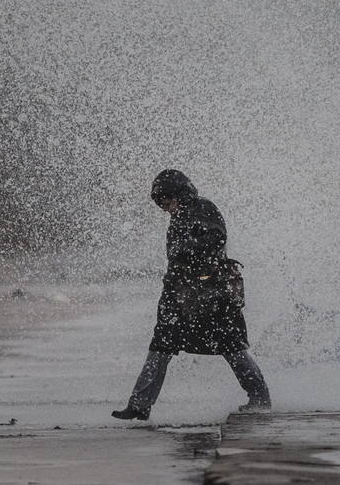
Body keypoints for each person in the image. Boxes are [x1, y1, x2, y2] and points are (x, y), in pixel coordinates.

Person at [112, 169, 271, 421]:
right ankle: (139, 405)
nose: (164, 207)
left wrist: (186, 250)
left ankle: (260, 397)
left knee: (232, 347)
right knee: (161, 344)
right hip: (181, 295)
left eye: (166, 200)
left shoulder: (203, 207)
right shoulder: (179, 215)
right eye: (160, 203)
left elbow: (217, 238)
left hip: (212, 296)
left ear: (179, 192)